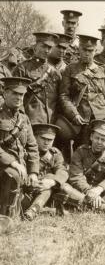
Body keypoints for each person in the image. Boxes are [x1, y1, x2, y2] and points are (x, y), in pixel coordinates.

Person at [59, 34, 105, 147]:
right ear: (79, 49)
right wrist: (73, 114)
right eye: (84, 50)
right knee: (81, 151)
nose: (87, 53)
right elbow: (64, 96)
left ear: (95, 51)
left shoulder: (104, 69)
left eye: (90, 50)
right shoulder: (70, 69)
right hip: (81, 119)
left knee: (102, 151)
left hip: (102, 118)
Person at [54, 119, 105, 213]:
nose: (99, 142)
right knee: (64, 187)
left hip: (103, 193)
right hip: (83, 192)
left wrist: (99, 189)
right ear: (91, 137)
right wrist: (90, 191)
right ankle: (101, 207)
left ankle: (86, 204)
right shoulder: (80, 152)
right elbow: (76, 177)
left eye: (103, 140)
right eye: (97, 138)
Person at [0, 77, 39, 219]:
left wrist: (34, 172)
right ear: (5, 93)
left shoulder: (24, 119)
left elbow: (33, 147)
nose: (18, 98)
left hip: (21, 167)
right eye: (15, 93)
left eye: (21, 94)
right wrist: (13, 163)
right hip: (4, 165)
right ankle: (6, 218)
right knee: (12, 175)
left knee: (40, 184)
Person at [13, 32, 61, 125]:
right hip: (28, 121)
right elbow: (15, 95)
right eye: (44, 46)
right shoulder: (22, 68)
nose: (47, 50)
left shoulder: (55, 73)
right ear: (35, 46)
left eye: (49, 48)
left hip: (50, 122)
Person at [22, 123, 68, 220]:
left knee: (58, 183)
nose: (47, 143)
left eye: (50, 140)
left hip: (45, 191)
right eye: (43, 138)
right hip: (26, 191)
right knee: (49, 177)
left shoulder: (54, 153)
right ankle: (41, 210)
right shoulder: (25, 152)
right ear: (35, 137)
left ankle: (34, 210)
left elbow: (62, 171)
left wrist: (52, 182)